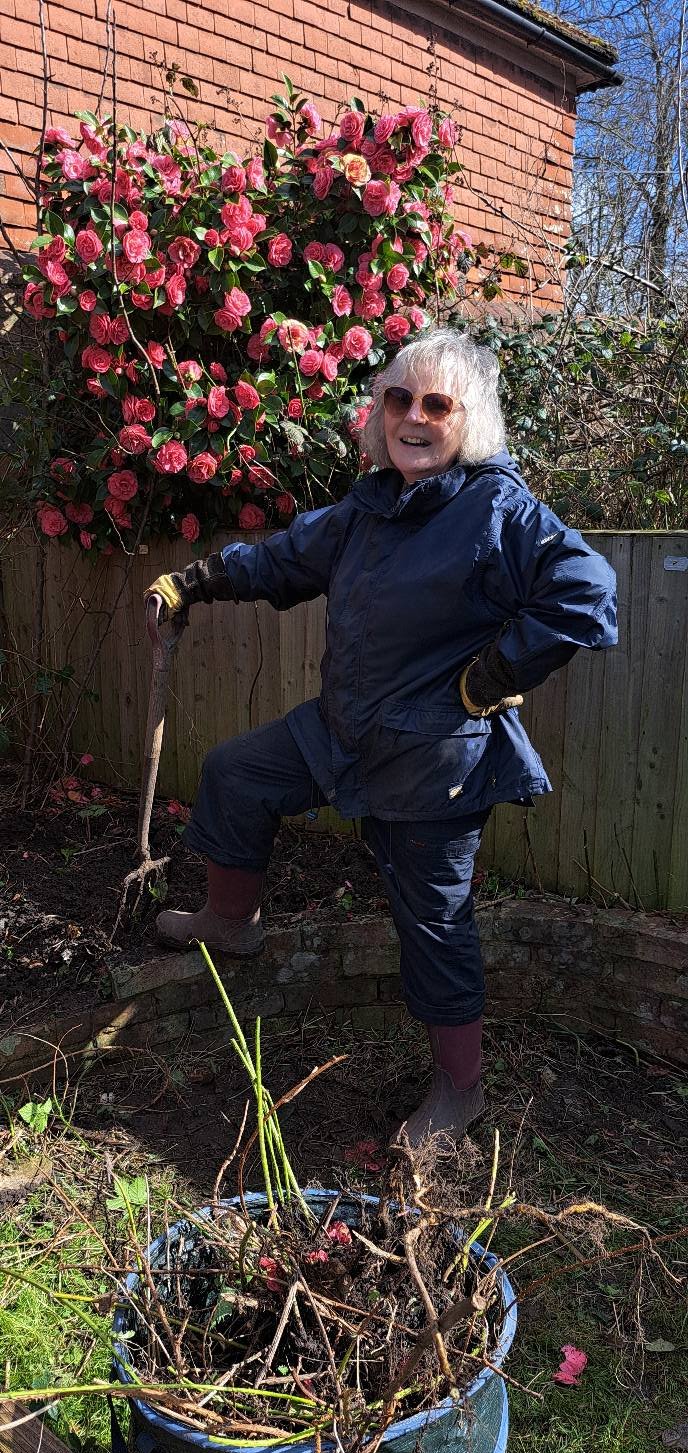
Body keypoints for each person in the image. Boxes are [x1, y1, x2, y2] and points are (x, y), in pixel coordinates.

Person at [145, 328, 617, 1145]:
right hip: (342, 731)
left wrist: (492, 678)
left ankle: (459, 1090)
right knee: (235, 774)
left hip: (436, 764)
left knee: (433, 923)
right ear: (379, 410)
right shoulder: (370, 505)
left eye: (437, 403)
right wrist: (194, 583)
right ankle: (232, 924)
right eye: (399, 397)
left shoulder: (496, 507)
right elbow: (285, 558)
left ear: (468, 421)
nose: (413, 415)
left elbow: (587, 587)